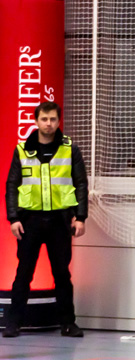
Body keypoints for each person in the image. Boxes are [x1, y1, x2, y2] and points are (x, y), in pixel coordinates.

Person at [4, 101, 87, 338]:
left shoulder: (70, 149)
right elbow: (12, 185)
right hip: (29, 222)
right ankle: (13, 323)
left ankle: (68, 323)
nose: (48, 124)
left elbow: (81, 183)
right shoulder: (22, 149)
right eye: (44, 119)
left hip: (60, 221)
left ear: (58, 121)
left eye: (52, 119)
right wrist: (13, 218)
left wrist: (80, 217)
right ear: (36, 120)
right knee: (23, 274)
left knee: (62, 273)